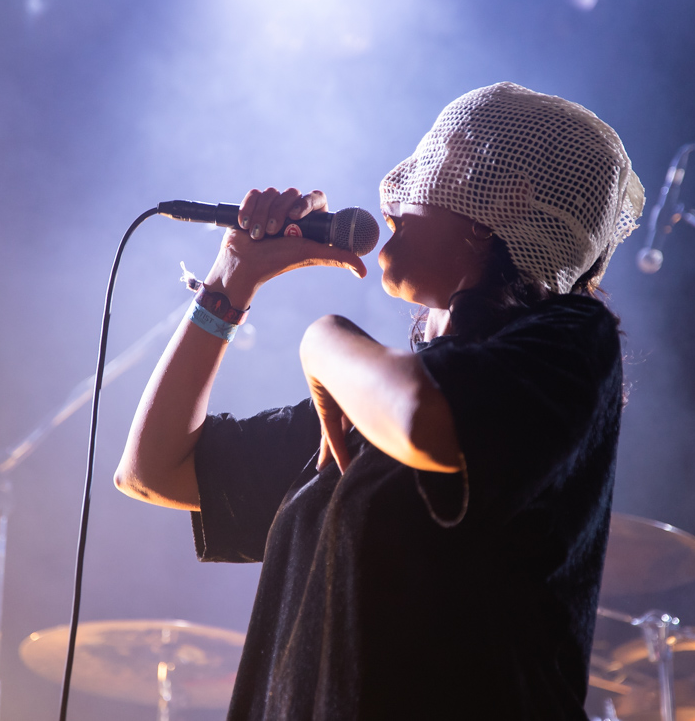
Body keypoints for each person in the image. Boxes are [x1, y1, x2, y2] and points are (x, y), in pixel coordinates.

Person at [115, 82, 644, 720]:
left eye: (437, 158)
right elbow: (154, 469)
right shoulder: (364, 407)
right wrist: (233, 277)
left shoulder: (569, 341)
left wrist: (321, 339)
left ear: (501, 199)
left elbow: (425, 419)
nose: (396, 188)